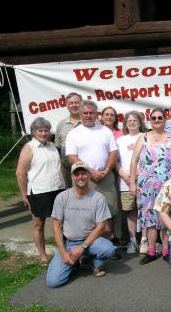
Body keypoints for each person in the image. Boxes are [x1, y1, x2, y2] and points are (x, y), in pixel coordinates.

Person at [46, 161, 116, 288]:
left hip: (90, 242)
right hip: (69, 243)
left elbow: (101, 226)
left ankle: (92, 261)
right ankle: (75, 263)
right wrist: (63, 252)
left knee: (109, 249)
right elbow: (56, 226)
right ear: (72, 177)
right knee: (53, 282)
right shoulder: (62, 197)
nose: (80, 177)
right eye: (76, 174)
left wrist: (82, 248)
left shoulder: (98, 198)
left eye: (83, 173)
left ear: (89, 175)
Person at [130, 108, 171, 264]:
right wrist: (132, 182)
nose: (157, 120)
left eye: (160, 117)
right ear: (150, 120)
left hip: (167, 187)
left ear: (165, 119)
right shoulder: (143, 138)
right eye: (154, 118)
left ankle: (166, 250)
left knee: (165, 219)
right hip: (147, 188)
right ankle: (151, 251)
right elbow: (134, 161)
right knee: (150, 219)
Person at [65, 100, 119, 241]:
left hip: (105, 177)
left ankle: (108, 246)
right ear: (80, 114)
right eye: (85, 113)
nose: (88, 115)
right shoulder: (73, 133)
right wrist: (90, 172)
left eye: (91, 113)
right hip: (83, 179)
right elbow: (71, 157)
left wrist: (106, 170)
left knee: (108, 213)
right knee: (85, 214)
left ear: (96, 114)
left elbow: (114, 153)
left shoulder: (105, 131)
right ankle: (87, 247)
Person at [16, 117, 66, 266]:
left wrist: (67, 187)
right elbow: (20, 173)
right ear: (34, 132)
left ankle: (63, 251)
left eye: (46, 130)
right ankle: (43, 256)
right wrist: (24, 194)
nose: (44, 133)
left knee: (61, 223)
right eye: (40, 130)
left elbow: (61, 168)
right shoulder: (29, 147)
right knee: (39, 224)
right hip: (39, 191)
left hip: (58, 189)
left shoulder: (53, 146)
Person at [116, 111, 146, 254]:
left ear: (140, 122)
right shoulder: (120, 140)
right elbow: (115, 160)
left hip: (143, 181)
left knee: (146, 211)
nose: (132, 122)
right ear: (125, 123)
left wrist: (136, 175)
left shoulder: (145, 137)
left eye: (135, 120)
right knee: (130, 212)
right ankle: (133, 241)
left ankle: (146, 241)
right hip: (125, 182)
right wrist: (122, 174)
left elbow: (149, 159)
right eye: (129, 120)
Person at [54, 92, 82, 187]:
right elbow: (58, 148)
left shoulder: (92, 122)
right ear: (67, 105)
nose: (74, 105)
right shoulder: (61, 125)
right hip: (68, 171)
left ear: (81, 103)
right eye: (71, 103)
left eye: (76, 102)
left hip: (88, 170)